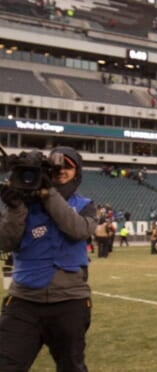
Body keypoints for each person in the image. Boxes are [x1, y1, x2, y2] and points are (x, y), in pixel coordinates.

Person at [0, 146, 98, 371]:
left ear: (77, 172)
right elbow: (5, 242)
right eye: (56, 167)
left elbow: (78, 230)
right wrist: (15, 209)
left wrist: (49, 194)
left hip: (69, 300)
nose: (61, 171)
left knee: (71, 366)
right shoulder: (23, 204)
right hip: (24, 300)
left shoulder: (85, 205)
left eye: (68, 167)